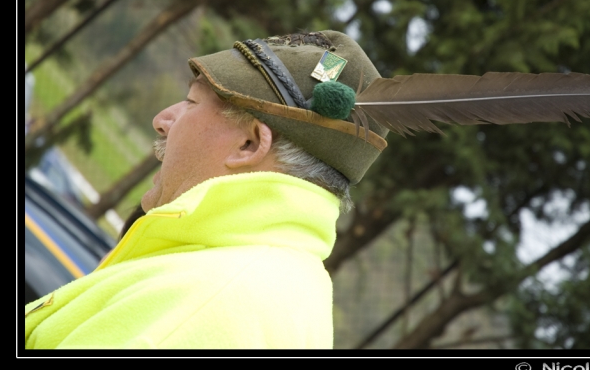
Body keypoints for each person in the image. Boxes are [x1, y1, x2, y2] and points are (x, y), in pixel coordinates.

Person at [24, 30, 390, 349]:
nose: (163, 120)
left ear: (248, 145)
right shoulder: (285, 286)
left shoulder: (202, 303)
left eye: (191, 102)